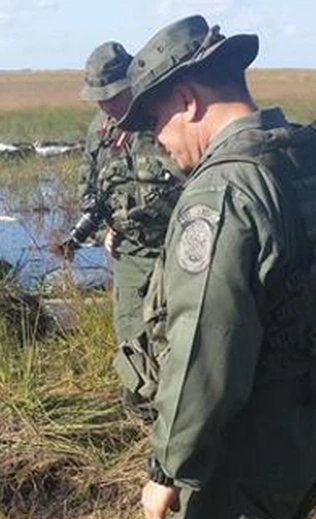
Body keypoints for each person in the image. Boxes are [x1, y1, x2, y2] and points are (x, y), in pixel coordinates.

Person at [118, 15, 316, 519]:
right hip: (315, 433)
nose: (159, 143)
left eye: (157, 120)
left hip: (242, 456)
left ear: (187, 101)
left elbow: (204, 352)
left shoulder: (224, 192)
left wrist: (167, 469)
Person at [76, 41, 184, 418]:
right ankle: (145, 418)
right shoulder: (100, 131)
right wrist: (101, 228)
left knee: (181, 335)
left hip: (178, 248)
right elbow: (88, 190)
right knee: (133, 337)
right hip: (130, 255)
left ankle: (182, 421)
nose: (106, 105)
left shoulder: (163, 117)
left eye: (113, 95)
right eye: (99, 99)